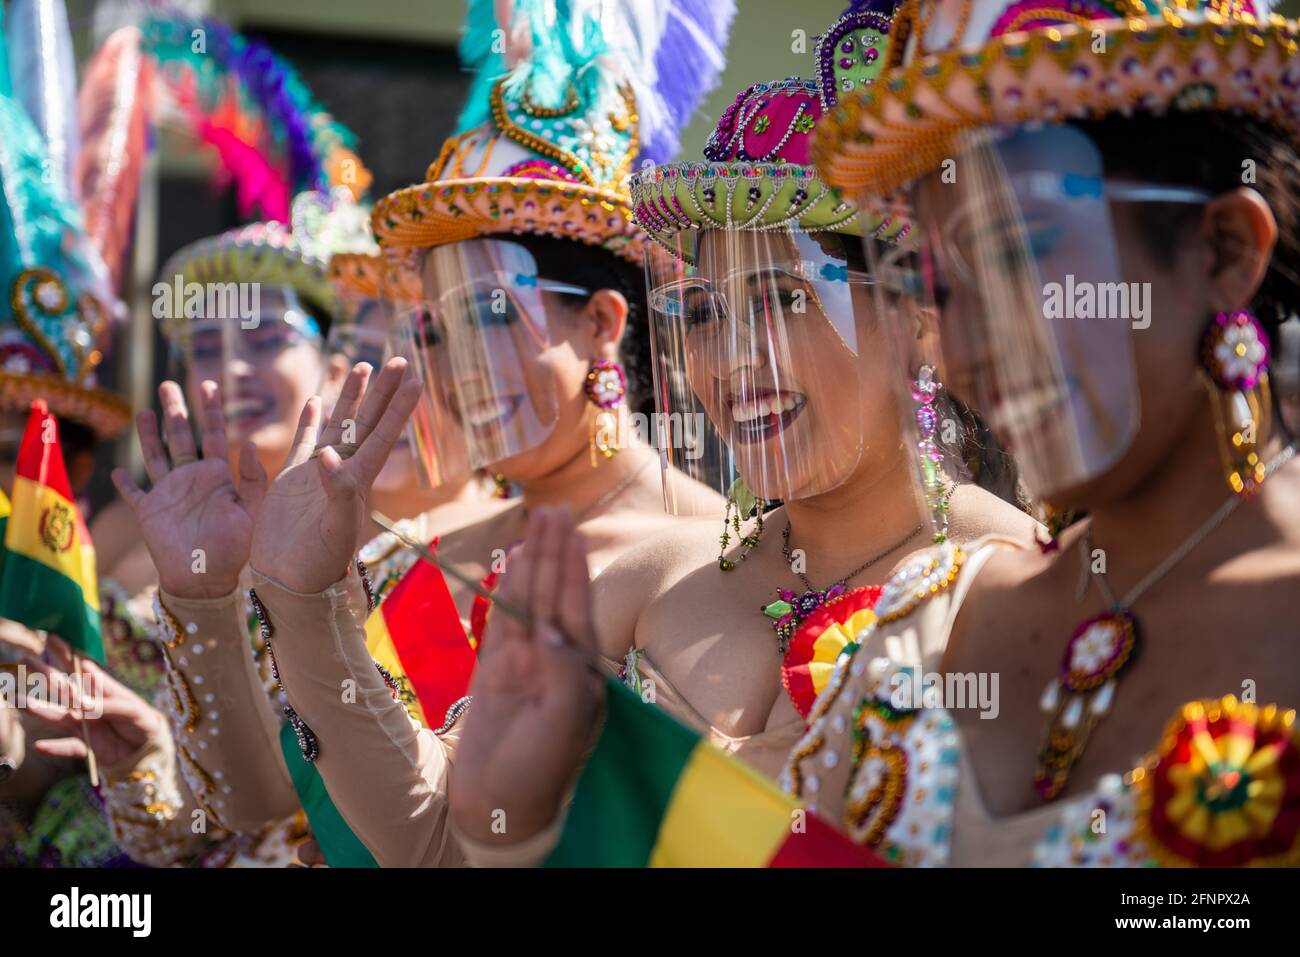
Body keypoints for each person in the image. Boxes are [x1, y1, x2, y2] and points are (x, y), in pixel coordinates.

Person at [448, 0, 1300, 868]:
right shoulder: (921, 633)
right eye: (947, 286)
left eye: (1022, 253)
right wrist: (511, 830)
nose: (972, 345)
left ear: (1224, 249)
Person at [211, 0, 737, 866]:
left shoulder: (717, 555)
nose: (460, 366)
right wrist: (260, 600)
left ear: (604, 323)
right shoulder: (414, 557)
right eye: (438, 329)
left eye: (494, 312)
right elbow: (289, 818)